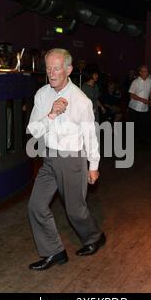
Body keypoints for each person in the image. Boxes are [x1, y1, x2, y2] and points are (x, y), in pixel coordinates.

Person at [26, 48, 105, 271]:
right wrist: (51, 114)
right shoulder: (42, 95)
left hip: (73, 159)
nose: (51, 73)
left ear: (69, 70)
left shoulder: (81, 100)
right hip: (49, 157)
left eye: (57, 68)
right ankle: (54, 252)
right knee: (36, 206)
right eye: (48, 68)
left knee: (75, 210)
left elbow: (91, 136)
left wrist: (94, 166)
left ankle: (94, 237)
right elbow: (33, 129)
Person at [128, 65, 151, 145]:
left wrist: (150, 100)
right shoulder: (135, 82)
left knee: (144, 125)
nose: (146, 73)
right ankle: (131, 142)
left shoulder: (150, 81)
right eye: (144, 71)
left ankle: (142, 142)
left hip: (145, 108)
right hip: (134, 107)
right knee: (133, 126)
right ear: (140, 72)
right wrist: (143, 100)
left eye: (147, 71)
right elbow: (131, 95)